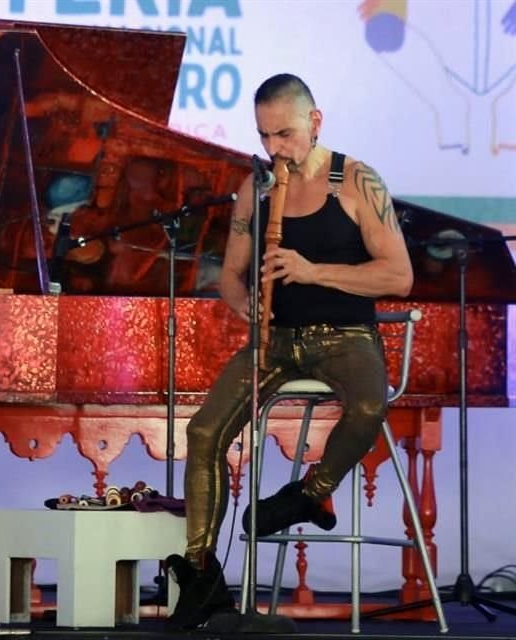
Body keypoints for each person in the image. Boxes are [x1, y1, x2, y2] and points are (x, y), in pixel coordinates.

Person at [167, 73, 413, 629]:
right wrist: (243, 303)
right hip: (275, 341)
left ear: (315, 122)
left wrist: (311, 270)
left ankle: (311, 492)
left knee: (370, 407)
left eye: (284, 134)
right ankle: (203, 576)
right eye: (263, 136)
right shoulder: (254, 189)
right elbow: (230, 275)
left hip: (344, 338)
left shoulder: (355, 180)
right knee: (204, 432)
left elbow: (399, 275)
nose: (274, 149)